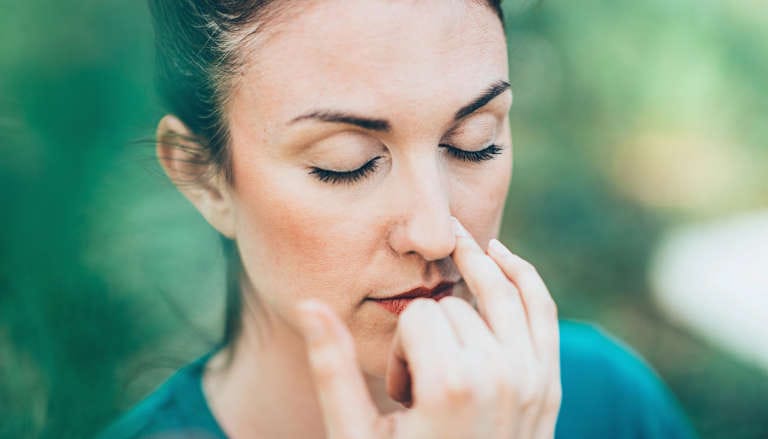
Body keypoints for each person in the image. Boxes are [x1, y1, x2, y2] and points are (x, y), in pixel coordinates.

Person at [99, 1, 698, 438]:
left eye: (474, 142)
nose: (435, 232)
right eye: (346, 164)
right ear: (205, 177)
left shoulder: (604, 400)